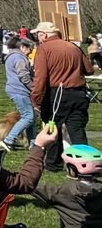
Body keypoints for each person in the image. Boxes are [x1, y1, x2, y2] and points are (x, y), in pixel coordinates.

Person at [29, 22, 92, 169]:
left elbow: (40, 78)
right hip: (79, 93)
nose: (38, 38)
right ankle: (84, 162)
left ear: (44, 35)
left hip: (57, 93)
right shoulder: (73, 47)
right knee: (77, 130)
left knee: (52, 128)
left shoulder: (44, 48)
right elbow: (89, 70)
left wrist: (36, 99)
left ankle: (54, 163)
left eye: (38, 35)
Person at [0, 32, 37, 150]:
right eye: (29, 49)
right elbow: (24, 76)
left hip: (16, 90)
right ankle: (9, 140)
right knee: (28, 117)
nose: (30, 52)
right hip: (19, 90)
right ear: (22, 47)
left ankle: (33, 144)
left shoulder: (11, 57)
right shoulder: (19, 58)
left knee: (31, 118)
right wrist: (34, 87)